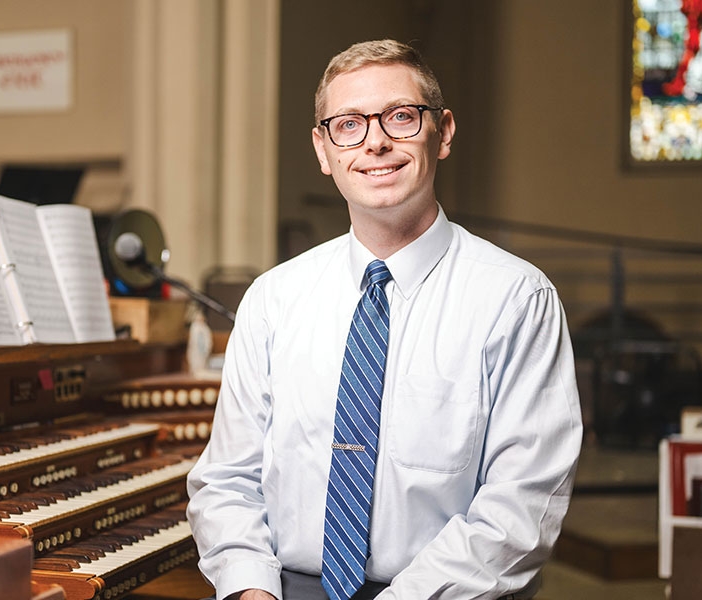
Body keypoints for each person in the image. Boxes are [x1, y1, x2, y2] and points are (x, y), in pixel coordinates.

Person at [186, 39, 583, 600]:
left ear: (442, 132)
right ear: (323, 151)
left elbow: (521, 508)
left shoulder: (516, 300)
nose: (375, 141)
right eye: (348, 124)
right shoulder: (273, 299)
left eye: (400, 117)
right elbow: (226, 481)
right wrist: (252, 590)